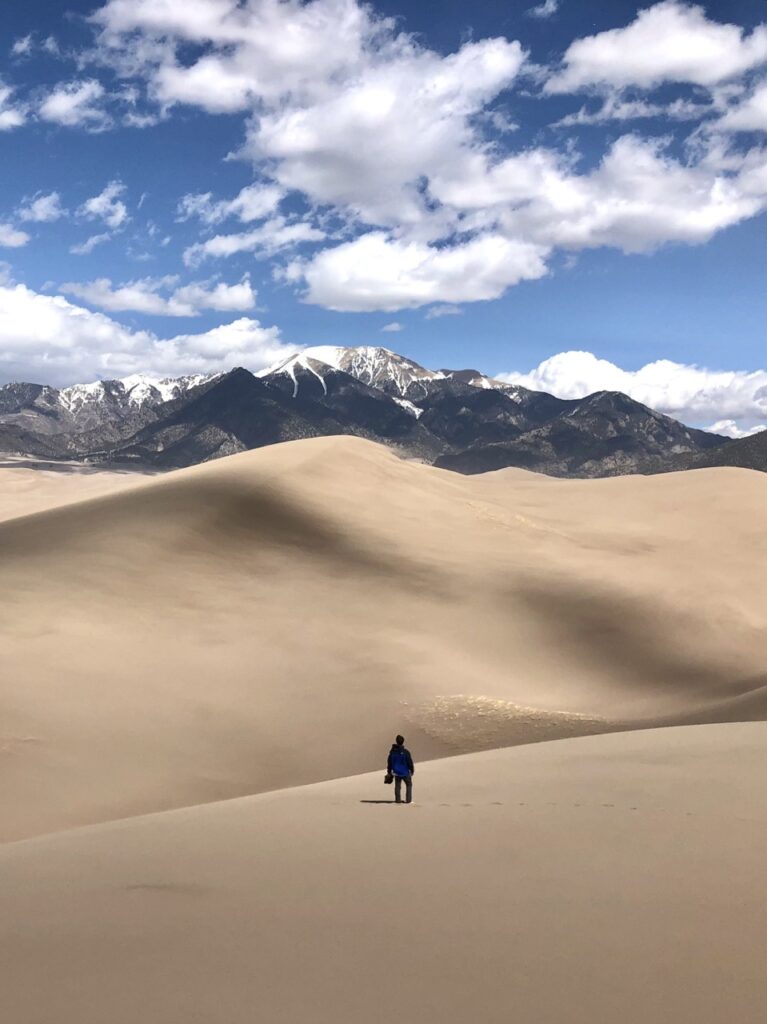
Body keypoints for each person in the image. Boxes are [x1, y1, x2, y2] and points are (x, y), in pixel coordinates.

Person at [387, 735, 414, 804]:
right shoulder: (405, 752)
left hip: (396, 772)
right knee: (409, 784)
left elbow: (389, 762)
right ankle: (408, 800)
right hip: (405, 772)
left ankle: (398, 800)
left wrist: (389, 771)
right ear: (403, 742)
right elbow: (409, 762)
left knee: (397, 786)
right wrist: (412, 770)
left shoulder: (392, 752)